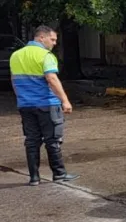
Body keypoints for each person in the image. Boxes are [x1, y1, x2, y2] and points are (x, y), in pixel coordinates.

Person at [9, 26, 78, 186]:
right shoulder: (45, 55)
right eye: (52, 39)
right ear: (41, 38)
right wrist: (65, 100)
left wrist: (21, 98)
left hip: (25, 105)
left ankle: (34, 177)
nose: (54, 43)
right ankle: (59, 174)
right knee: (53, 139)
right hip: (47, 104)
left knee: (31, 141)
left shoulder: (16, 55)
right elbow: (51, 78)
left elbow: (14, 80)